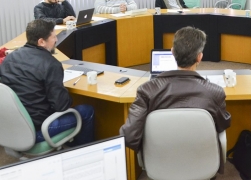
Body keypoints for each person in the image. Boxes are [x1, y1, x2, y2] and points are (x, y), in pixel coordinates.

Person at [120, 26, 231, 174]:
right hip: (202, 163)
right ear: (199, 57)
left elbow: (129, 136)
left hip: (159, 164)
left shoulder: (146, 91)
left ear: (172, 52)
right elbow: (223, 123)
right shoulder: (214, 92)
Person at [0, 19, 95, 146]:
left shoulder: (10, 58)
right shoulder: (51, 64)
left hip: (13, 127)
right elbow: (61, 106)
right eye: (54, 37)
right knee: (86, 110)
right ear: (41, 42)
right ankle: (81, 153)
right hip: (39, 130)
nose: (56, 40)